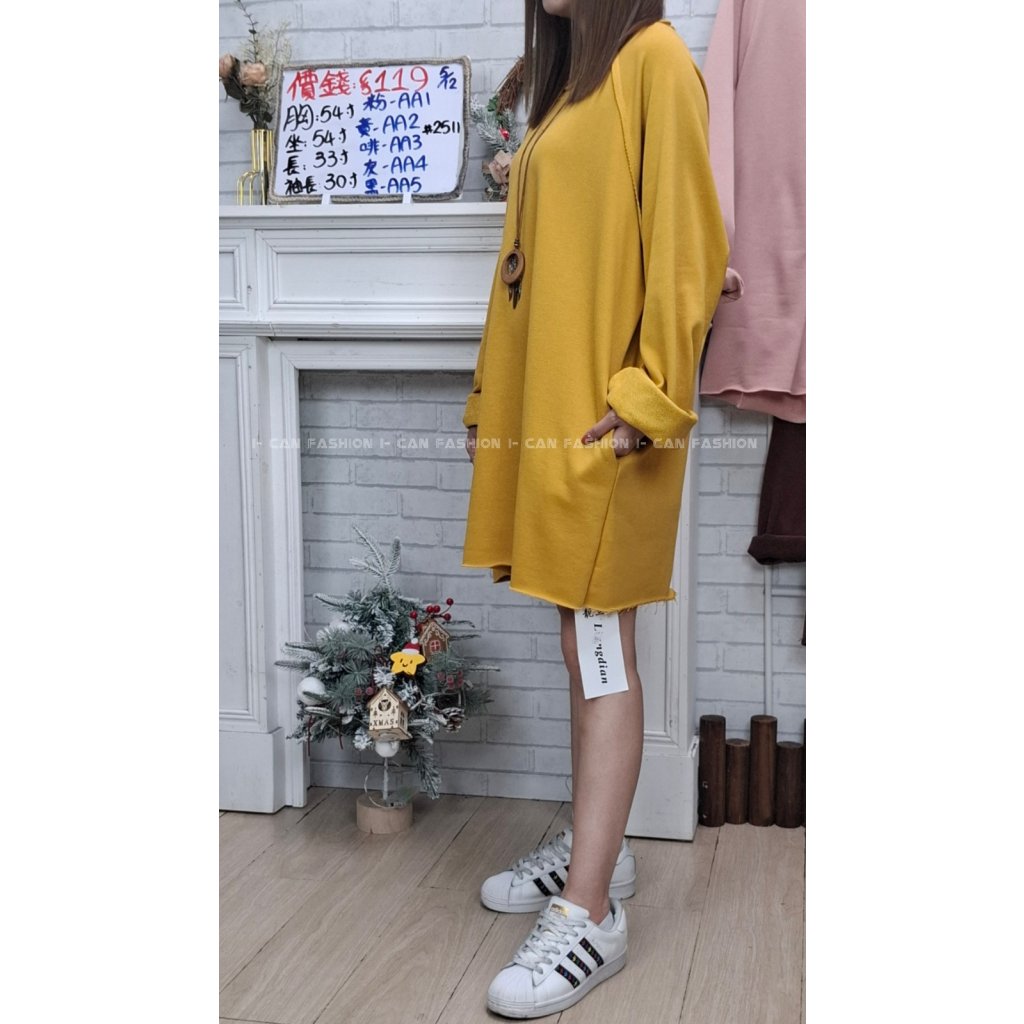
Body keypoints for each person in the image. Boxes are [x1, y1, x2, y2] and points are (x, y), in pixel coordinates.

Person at [461, 0, 729, 1016]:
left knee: (602, 642)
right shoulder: (572, 79)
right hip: (552, 413)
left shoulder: (655, 61)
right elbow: (531, 264)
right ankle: (597, 850)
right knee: (582, 642)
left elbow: (690, 247)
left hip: (609, 423)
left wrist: (648, 398)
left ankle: (591, 913)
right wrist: (491, 400)